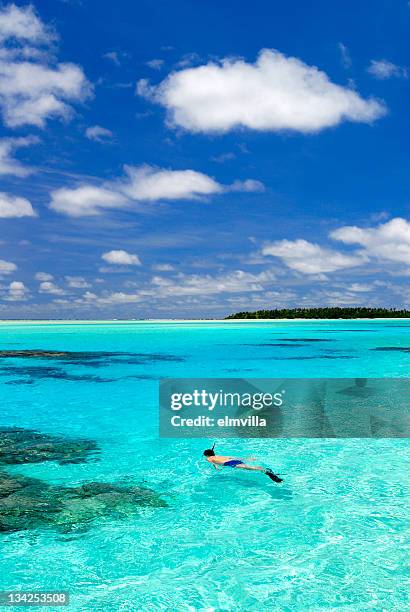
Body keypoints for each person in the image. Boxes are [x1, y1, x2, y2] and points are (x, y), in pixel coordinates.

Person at [203, 444, 283, 483]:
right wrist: (246, 459)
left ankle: (266, 471)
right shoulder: (219, 456)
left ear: (206, 455)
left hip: (230, 463)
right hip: (233, 460)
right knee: (247, 467)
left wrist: (216, 468)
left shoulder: (209, 458)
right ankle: (266, 471)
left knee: (250, 468)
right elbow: (231, 457)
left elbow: (212, 462)